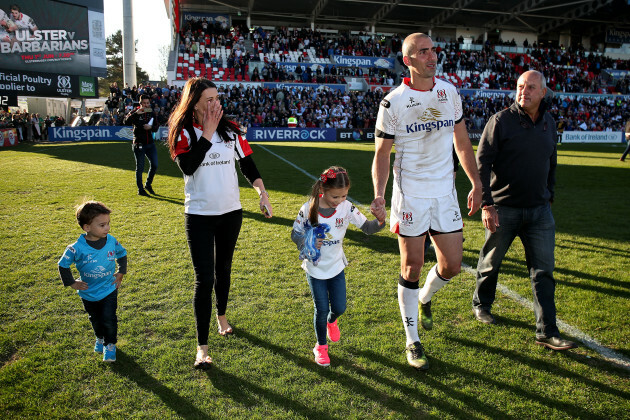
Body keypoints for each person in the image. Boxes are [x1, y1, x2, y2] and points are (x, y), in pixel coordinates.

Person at [371, 33, 482, 370]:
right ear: (408, 60)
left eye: (434, 49)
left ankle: (424, 297)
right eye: (423, 52)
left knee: (451, 265)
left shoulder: (449, 92)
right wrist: (379, 194)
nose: (431, 56)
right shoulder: (394, 102)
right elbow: (382, 154)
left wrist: (476, 183)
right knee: (412, 266)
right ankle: (412, 340)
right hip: (411, 195)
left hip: (444, 192)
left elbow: (462, 142)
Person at [167, 77, 273, 369]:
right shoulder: (183, 131)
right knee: (204, 279)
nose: (216, 104)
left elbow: (247, 164)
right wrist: (207, 133)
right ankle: (202, 348)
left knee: (223, 269)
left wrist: (262, 193)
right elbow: (188, 167)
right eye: (209, 100)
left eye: (217, 98)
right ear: (195, 103)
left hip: (230, 213)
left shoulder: (231, 129)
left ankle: (222, 315)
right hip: (199, 215)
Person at [473, 70, 577, 351]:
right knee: (490, 262)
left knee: (544, 271)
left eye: (531, 87)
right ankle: (482, 304)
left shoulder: (549, 122)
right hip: (503, 209)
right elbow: (481, 164)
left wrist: (550, 194)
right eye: (520, 86)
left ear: (543, 92)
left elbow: (551, 162)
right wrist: (487, 204)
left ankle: (546, 331)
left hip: (539, 211)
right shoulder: (501, 121)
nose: (524, 91)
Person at [291, 166, 386, 367]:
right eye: (336, 197)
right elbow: (295, 234)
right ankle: (321, 347)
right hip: (315, 269)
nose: (340, 200)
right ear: (322, 190)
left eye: (344, 195)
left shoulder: (347, 207)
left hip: (336, 267)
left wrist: (380, 220)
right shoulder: (309, 208)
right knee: (321, 308)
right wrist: (306, 240)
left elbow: (367, 228)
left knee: (340, 307)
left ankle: (332, 322)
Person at [57, 201, 127, 362]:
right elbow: (63, 264)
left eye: (108, 223)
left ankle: (110, 345)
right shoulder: (75, 248)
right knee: (95, 318)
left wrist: (121, 272)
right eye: (102, 225)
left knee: (109, 318)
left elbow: (122, 253)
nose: (107, 228)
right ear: (87, 227)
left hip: (109, 288)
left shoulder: (111, 241)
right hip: (88, 292)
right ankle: (100, 338)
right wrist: (72, 283)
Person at [123, 94, 159, 196]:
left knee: (155, 165)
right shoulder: (135, 112)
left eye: (148, 103)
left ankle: (148, 184)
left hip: (150, 143)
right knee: (140, 167)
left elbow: (156, 126)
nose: (146, 105)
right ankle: (140, 189)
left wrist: (150, 128)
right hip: (139, 143)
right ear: (140, 103)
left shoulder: (151, 113)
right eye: (144, 103)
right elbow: (125, 122)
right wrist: (136, 114)